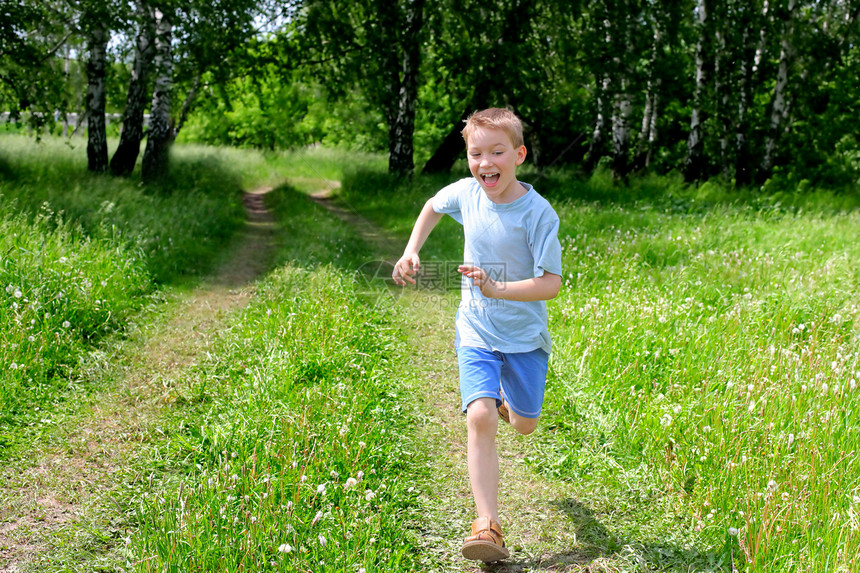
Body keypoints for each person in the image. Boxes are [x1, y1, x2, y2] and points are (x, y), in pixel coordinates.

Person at [392, 107, 562, 562]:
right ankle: (487, 526)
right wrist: (411, 251)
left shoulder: (538, 214)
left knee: (524, 425)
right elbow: (431, 206)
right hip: (476, 329)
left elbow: (551, 283)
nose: (485, 163)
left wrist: (497, 286)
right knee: (480, 417)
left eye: (496, 152)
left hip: (525, 337)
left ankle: (510, 405)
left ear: (519, 154)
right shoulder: (467, 193)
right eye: (475, 153)